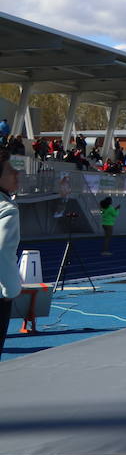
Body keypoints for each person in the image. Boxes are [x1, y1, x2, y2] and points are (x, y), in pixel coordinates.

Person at [0, 148, 24, 359]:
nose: (17, 174)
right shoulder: (7, 209)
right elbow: (3, 251)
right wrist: (11, 289)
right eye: (11, 170)